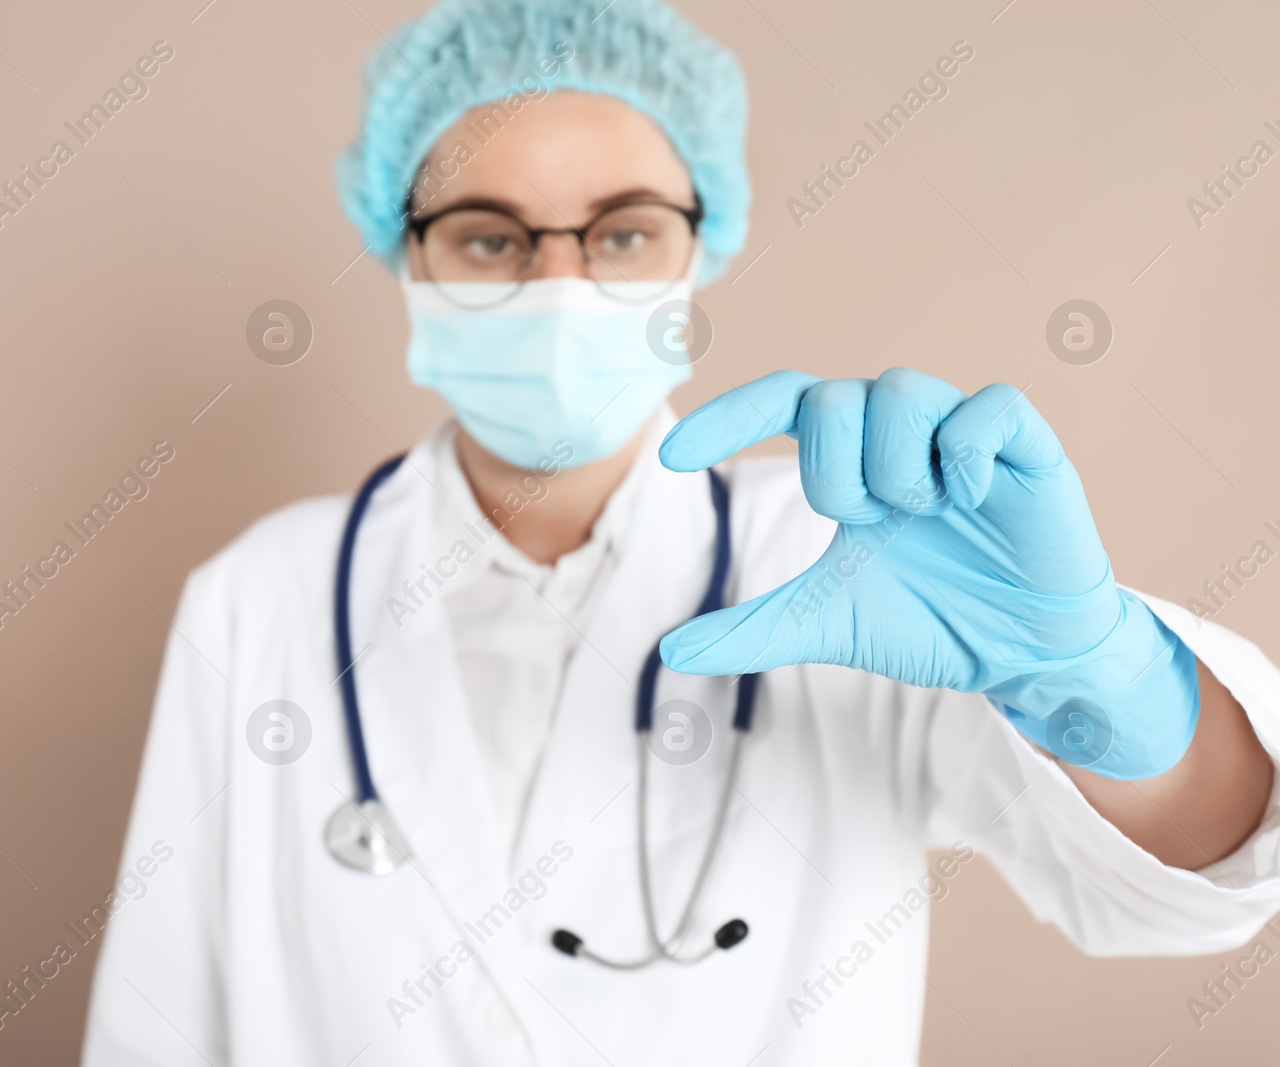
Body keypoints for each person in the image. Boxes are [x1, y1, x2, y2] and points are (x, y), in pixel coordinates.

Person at [82, 1, 1280, 1063]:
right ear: (407, 252)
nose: (558, 284)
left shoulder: (850, 556)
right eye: (489, 236)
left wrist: (1088, 668)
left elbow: (1186, 889)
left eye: (622, 231)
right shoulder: (262, 594)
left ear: (698, 246)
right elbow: (160, 1016)